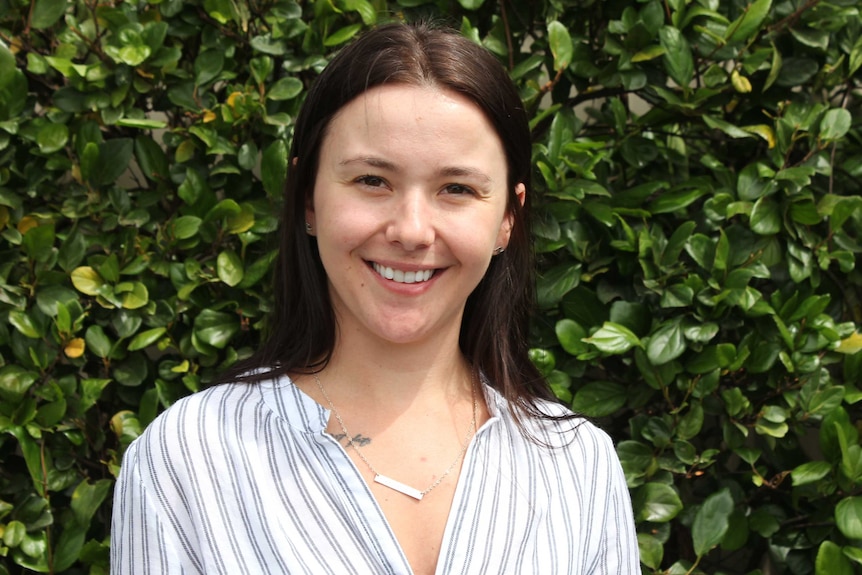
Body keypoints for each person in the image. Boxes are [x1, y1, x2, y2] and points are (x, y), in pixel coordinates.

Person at [111, 21, 639, 575]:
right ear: (309, 199)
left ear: (508, 216)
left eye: (456, 189)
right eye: (372, 181)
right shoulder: (188, 459)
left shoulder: (578, 467)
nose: (412, 230)